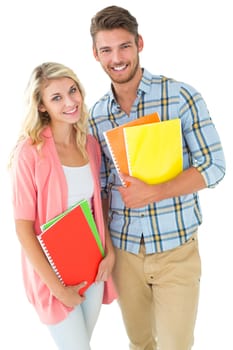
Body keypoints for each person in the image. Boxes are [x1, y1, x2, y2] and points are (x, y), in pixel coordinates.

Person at [89, 5, 226, 350]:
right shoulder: (96, 115)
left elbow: (215, 166)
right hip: (124, 253)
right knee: (139, 343)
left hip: (176, 249)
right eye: (106, 50)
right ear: (96, 54)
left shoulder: (180, 96)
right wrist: (104, 248)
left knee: (175, 345)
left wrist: (157, 191)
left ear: (139, 44)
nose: (116, 58)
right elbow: (102, 188)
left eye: (124, 46)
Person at [9, 62, 116, 350]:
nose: (70, 102)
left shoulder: (90, 145)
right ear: (41, 106)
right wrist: (58, 289)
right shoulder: (29, 152)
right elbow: (22, 228)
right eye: (56, 97)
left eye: (73, 91)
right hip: (53, 277)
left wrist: (109, 253)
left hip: (93, 267)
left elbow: (99, 206)